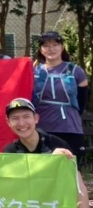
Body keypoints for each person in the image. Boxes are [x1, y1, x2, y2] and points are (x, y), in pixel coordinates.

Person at [2, 97, 92, 208]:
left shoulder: (57, 145)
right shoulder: (10, 152)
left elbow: (78, 187)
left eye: (26, 116)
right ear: (8, 123)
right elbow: (8, 192)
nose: (21, 123)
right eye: (15, 118)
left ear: (36, 119)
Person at [32, 31, 88, 168]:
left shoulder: (75, 71)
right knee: (44, 170)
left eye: (55, 44)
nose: (51, 49)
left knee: (71, 169)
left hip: (70, 128)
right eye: (46, 45)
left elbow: (82, 102)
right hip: (42, 128)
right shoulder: (34, 71)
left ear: (62, 47)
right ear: (41, 49)